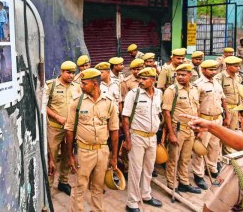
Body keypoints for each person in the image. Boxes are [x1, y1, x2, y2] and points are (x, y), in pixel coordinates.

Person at [65, 68, 119, 212]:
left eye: (84, 84)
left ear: (95, 84)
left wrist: (114, 157)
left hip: (102, 151)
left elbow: (114, 131)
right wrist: (70, 156)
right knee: (80, 187)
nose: (81, 86)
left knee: (98, 186)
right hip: (84, 152)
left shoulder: (109, 103)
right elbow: (69, 131)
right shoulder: (76, 103)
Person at [122, 67, 163, 211]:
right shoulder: (133, 95)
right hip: (137, 137)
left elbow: (157, 115)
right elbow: (125, 118)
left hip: (152, 137)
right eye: (140, 78)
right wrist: (128, 140)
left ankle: (146, 195)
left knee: (149, 168)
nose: (141, 81)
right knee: (135, 170)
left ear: (153, 80)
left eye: (145, 79)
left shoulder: (159, 93)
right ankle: (132, 202)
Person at [162, 63, 201, 194]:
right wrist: (171, 133)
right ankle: (172, 184)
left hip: (191, 129)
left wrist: (198, 126)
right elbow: (166, 113)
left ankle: (184, 182)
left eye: (184, 75)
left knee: (185, 158)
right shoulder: (172, 90)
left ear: (190, 75)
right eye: (178, 75)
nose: (180, 77)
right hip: (177, 129)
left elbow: (197, 108)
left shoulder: (195, 89)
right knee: (174, 158)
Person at [191, 60, 229, 190]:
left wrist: (226, 116)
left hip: (217, 119)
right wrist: (197, 123)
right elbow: (195, 105)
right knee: (201, 148)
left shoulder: (217, 83)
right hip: (204, 120)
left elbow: (223, 99)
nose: (213, 72)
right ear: (203, 70)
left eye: (215, 70)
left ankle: (212, 168)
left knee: (215, 147)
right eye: (210, 70)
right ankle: (198, 174)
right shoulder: (198, 85)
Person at [46, 61, 80, 196]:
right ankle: (48, 185)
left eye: (73, 73)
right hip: (54, 128)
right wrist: (57, 117)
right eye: (68, 72)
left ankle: (63, 182)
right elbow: (44, 105)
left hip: (70, 130)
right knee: (51, 157)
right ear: (61, 72)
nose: (71, 75)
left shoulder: (77, 87)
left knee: (67, 155)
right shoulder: (51, 86)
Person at [213, 56, 243, 154]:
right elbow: (220, 96)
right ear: (228, 66)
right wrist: (226, 114)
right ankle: (221, 156)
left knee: (231, 133)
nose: (238, 68)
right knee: (223, 134)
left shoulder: (238, 77)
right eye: (236, 66)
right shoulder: (220, 77)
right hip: (225, 109)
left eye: (238, 66)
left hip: (235, 108)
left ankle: (227, 155)